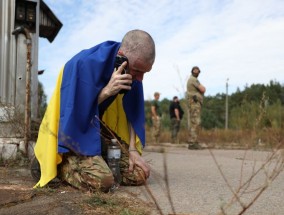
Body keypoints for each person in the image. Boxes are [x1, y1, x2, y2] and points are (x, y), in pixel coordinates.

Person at [33, 29, 155, 192]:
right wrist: (106, 92)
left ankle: (96, 160)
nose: (140, 78)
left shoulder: (131, 71)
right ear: (121, 56)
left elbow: (133, 111)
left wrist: (132, 150)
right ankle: (55, 164)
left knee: (139, 174)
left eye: (145, 72)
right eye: (138, 71)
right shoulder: (83, 64)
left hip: (96, 127)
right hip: (70, 131)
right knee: (103, 181)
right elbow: (72, 113)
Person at [186, 66, 206, 149]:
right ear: (192, 71)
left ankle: (193, 142)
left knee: (194, 122)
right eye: (195, 70)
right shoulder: (193, 79)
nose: (197, 71)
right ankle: (193, 143)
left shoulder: (192, 79)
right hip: (194, 103)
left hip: (194, 103)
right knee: (195, 122)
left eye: (198, 70)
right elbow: (203, 89)